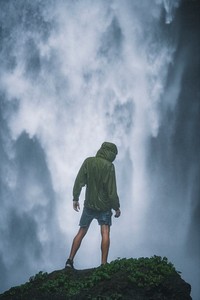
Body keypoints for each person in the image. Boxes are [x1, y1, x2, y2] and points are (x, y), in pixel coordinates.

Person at [65, 142, 121, 269]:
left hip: (89, 205)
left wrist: (75, 198)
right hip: (104, 207)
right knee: (105, 232)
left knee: (81, 231)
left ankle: (69, 260)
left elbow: (79, 181)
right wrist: (116, 207)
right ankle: (103, 264)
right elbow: (112, 192)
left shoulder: (88, 162)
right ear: (111, 153)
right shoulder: (109, 167)